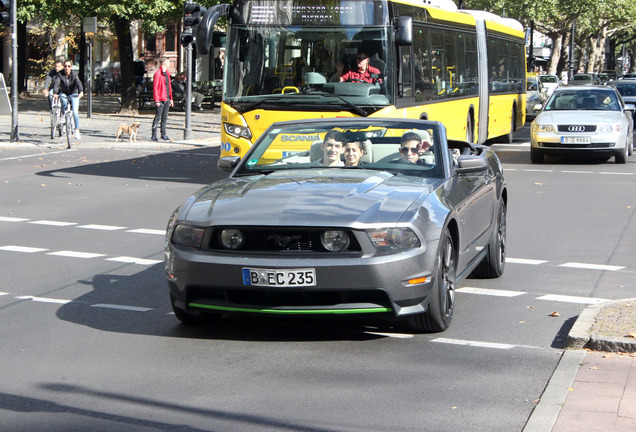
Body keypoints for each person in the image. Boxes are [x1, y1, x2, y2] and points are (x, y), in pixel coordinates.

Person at [52, 59, 84, 141]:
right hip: (64, 92)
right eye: (65, 66)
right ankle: (63, 115)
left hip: (73, 93)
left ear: (71, 67)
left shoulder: (74, 74)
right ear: (63, 67)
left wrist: (81, 91)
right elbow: (57, 84)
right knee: (63, 99)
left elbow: (78, 83)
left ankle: (76, 130)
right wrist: (55, 93)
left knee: (75, 112)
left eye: (69, 66)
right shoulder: (60, 74)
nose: (67, 68)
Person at [152, 58, 174, 141]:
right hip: (161, 98)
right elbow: (155, 87)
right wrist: (156, 100)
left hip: (167, 98)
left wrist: (171, 99)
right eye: (168, 62)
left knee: (165, 117)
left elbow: (169, 87)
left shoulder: (167, 74)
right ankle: (154, 134)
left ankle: (163, 134)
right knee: (158, 117)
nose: (169, 64)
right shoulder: (158, 74)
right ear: (164, 63)